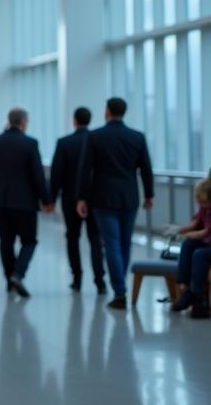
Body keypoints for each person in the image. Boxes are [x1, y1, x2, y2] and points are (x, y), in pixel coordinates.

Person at [77, 97, 154, 310]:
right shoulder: (137, 137)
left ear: (107, 112)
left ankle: (119, 290)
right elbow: (146, 168)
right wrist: (149, 195)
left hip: (102, 197)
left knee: (110, 243)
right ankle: (121, 285)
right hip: (129, 196)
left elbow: (85, 170)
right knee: (124, 242)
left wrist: (82, 198)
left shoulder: (95, 137)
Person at [0, 107, 54, 299]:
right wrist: (46, 200)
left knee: (6, 241)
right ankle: (18, 274)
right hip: (25, 202)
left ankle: (9, 280)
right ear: (23, 123)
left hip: (0, 201)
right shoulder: (30, 143)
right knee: (29, 240)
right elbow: (38, 175)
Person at [49, 108, 106, 294]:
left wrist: (50, 199)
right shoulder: (98, 140)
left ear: (74, 121)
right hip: (95, 197)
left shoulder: (64, 143)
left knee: (72, 238)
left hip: (70, 198)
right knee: (95, 239)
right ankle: (100, 280)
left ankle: (77, 278)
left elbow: (56, 174)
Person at [169, 178, 211, 318]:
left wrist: (185, 234)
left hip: (208, 241)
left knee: (199, 254)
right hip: (208, 242)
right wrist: (178, 230)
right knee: (188, 245)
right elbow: (195, 223)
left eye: (204, 203)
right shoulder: (205, 207)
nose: (202, 206)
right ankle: (184, 286)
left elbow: (205, 232)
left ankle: (196, 296)